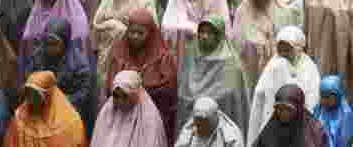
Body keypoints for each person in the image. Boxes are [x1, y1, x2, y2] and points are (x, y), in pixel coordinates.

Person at [104, 8, 178, 140]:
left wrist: (138, 92)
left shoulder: (163, 57)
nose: (135, 36)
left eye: (140, 33)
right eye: (132, 32)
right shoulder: (119, 53)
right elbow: (111, 87)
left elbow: (169, 91)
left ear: (150, 33)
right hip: (122, 117)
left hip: (152, 121)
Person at [176, 16, 249, 137]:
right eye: (201, 32)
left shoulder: (231, 64)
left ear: (219, 36)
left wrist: (204, 104)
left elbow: (230, 95)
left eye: (209, 33)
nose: (204, 36)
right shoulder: (191, 57)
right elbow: (183, 91)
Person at [4, 71, 86, 147]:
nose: (31, 98)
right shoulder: (19, 118)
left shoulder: (70, 123)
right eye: (28, 93)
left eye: (36, 94)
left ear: (48, 95)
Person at [91, 70, 169, 147]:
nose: (120, 101)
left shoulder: (149, 118)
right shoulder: (107, 113)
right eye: (116, 96)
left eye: (125, 96)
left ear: (137, 94)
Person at [252, 83, 328, 147]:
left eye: (288, 109)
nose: (283, 113)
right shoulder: (268, 133)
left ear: (299, 108)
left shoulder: (315, 133)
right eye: (279, 108)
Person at [175, 96, 246, 147]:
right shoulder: (190, 128)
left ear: (216, 116)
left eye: (204, 120)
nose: (200, 124)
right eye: (197, 120)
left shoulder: (230, 136)